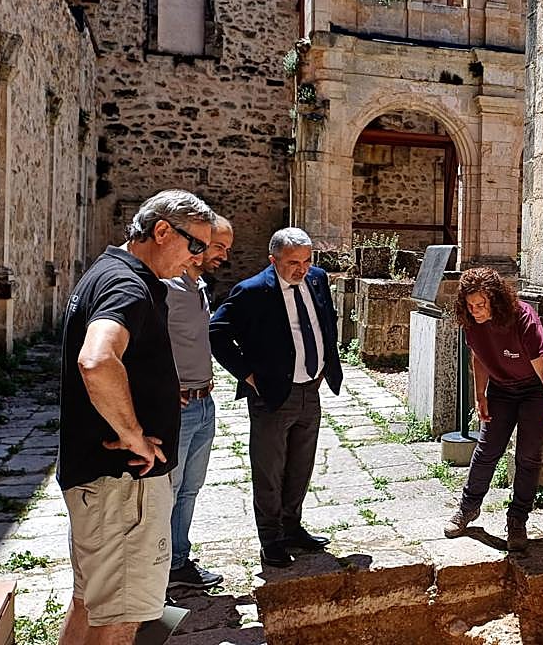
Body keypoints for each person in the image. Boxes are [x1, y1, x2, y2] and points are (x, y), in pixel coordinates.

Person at [58, 190, 215, 645]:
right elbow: (98, 359)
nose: (198, 259)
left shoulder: (106, 271)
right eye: (195, 245)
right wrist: (134, 435)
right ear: (162, 231)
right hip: (123, 487)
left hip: (98, 482)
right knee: (122, 617)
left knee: (90, 603)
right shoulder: (129, 285)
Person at [209, 227, 343, 569]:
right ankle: (270, 540)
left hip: (310, 389)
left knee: (301, 466)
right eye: (293, 262)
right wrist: (247, 374)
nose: (301, 268)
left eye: (307, 260)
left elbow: (326, 321)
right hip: (271, 394)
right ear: (273, 260)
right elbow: (217, 332)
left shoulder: (317, 279)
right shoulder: (253, 291)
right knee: (269, 471)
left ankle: (292, 527)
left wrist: (327, 363)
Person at [443, 267, 543, 552]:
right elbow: (478, 357)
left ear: (496, 300)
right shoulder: (471, 322)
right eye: (470, 305)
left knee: (527, 455)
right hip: (501, 388)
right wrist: (480, 395)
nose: (475, 311)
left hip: (534, 389)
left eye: (481, 305)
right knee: (487, 449)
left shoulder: (523, 318)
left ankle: (517, 520)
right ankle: (468, 508)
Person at [163, 214, 234, 590]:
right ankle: (158, 570)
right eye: (218, 246)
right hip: (179, 406)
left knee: (190, 488)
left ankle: (178, 560)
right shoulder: (166, 286)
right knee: (167, 491)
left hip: (204, 401)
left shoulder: (198, 284)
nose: (223, 254)